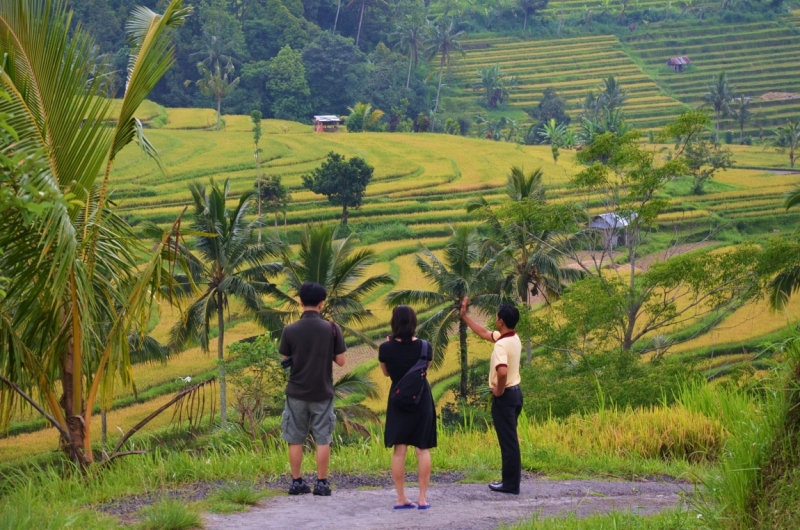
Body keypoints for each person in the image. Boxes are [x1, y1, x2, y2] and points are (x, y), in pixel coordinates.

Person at [279, 282, 346, 496]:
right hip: (322, 392)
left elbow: (284, 359)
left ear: (300, 302)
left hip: (296, 391)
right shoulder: (332, 329)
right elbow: (342, 361)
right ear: (321, 303)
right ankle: (322, 483)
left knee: (295, 437)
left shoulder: (290, 330)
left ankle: (297, 482)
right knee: (323, 437)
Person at [459, 296, 523, 495]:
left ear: (501, 321)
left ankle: (510, 485)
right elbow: (484, 333)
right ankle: (510, 482)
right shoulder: (512, 337)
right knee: (510, 440)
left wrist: (500, 391)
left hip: (506, 397)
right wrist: (464, 317)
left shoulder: (501, 346)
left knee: (508, 442)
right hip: (517, 394)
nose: (495, 320)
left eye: (496, 317)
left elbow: (502, 372)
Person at [378, 305, 436, 510]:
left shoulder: (385, 348)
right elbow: (425, 368)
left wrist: (391, 347)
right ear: (414, 322)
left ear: (394, 322)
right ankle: (422, 498)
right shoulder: (425, 346)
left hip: (398, 399)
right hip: (421, 399)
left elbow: (386, 373)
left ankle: (401, 497)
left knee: (399, 450)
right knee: (422, 448)